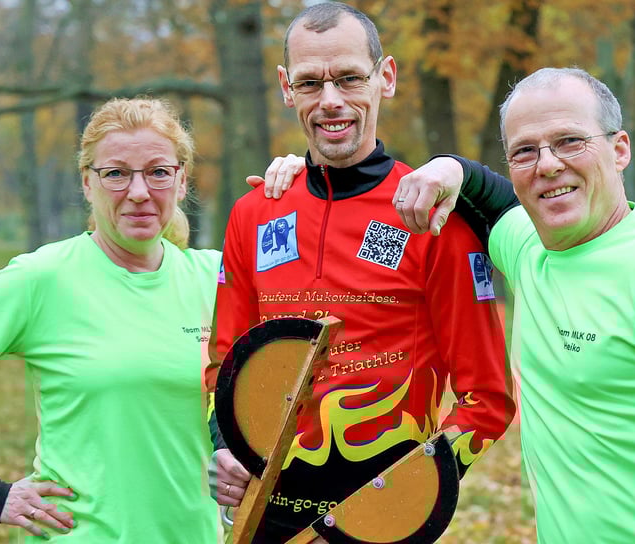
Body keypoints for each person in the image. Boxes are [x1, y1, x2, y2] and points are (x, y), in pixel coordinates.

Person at [390, 68, 635, 543]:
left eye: (570, 141)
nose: (547, 165)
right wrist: (449, 167)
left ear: (619, 149)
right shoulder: (529, 250)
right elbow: (492, 199)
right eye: (525, 151)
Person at [207, 3, 515, 542]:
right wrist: (222, 448)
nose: (330, 100)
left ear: (385, 77)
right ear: (286, 88)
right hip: (263, 522)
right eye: (310, 82)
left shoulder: (431, 217)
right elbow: (224, 364)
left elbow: (487, 402)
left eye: (349, 78)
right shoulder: (253, 214)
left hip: (380, 527)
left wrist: (391, 506)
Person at [0, 98, 221, 542]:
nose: (139, 191)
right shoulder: (41, 278)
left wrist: (295, 178)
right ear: (87, 182)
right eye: (116, 173)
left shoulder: (215, 277)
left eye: (158, 172)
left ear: (181, 180)